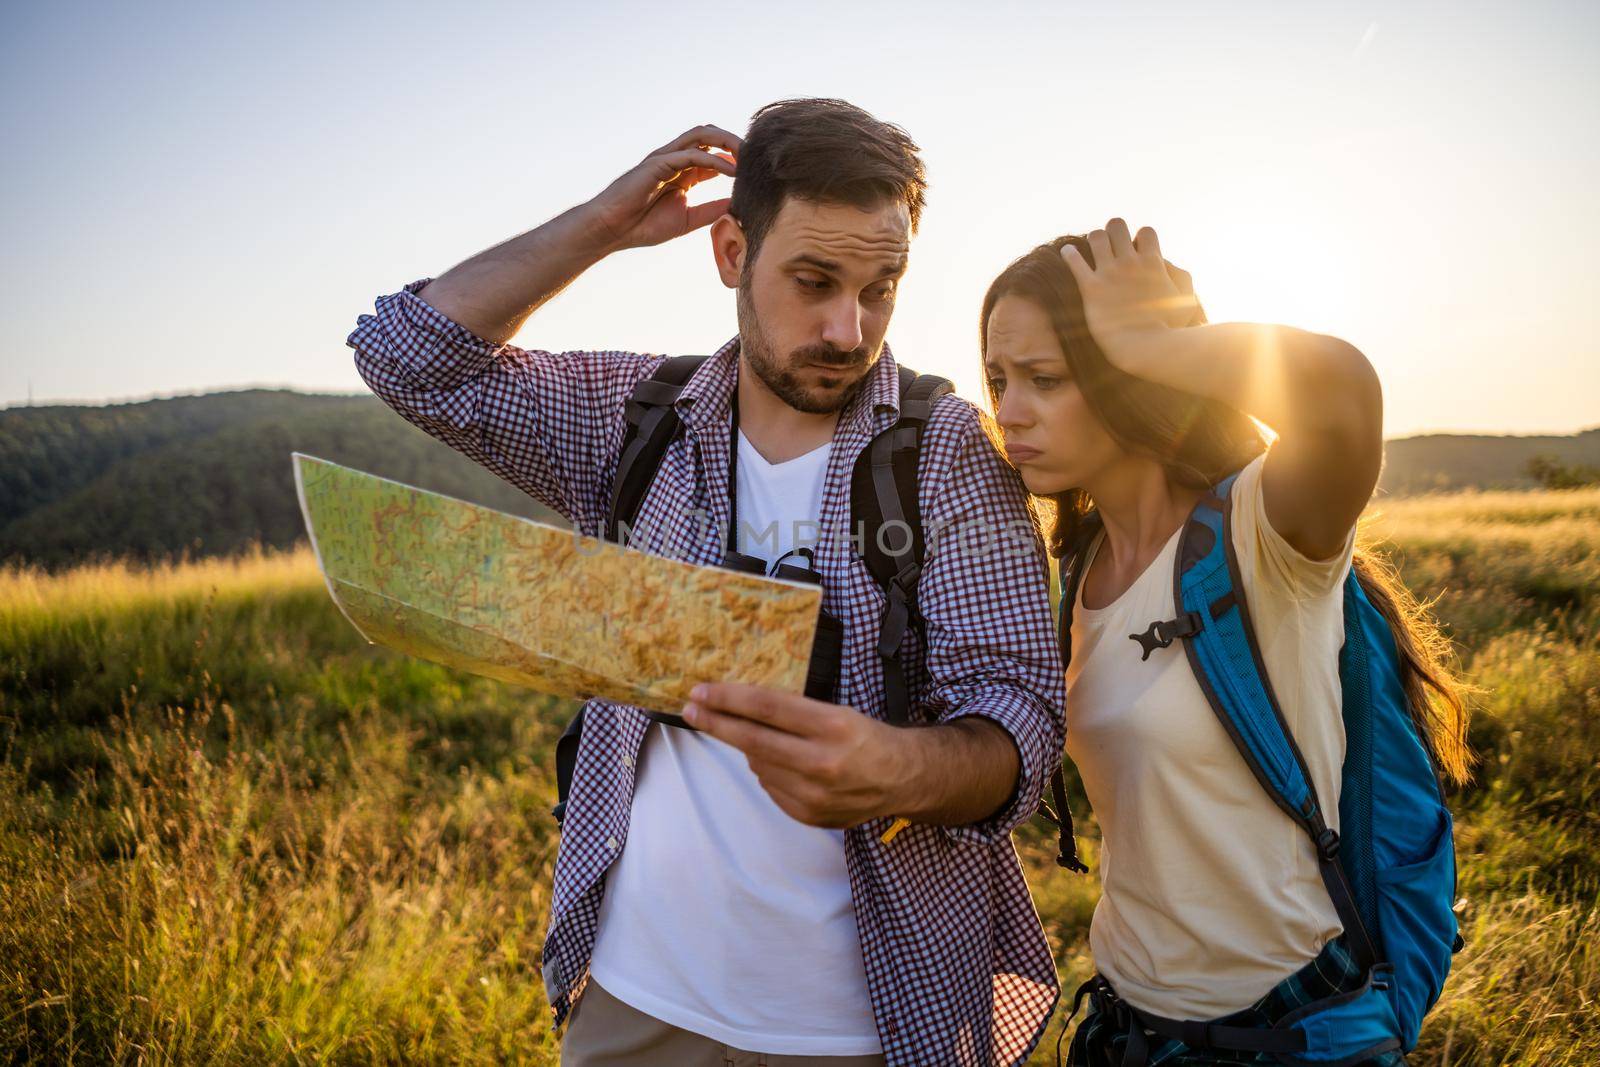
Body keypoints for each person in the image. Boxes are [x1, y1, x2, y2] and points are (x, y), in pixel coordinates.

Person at [346, 98, 1065, 1067]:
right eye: (812, 280)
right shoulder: (633, 416)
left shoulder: (948, 455)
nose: (848, 328)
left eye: (881, 287)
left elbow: (1019, 721)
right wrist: (599, 227)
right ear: (731, 252)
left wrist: (896, 767)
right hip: (634, 1002)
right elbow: (409, 358)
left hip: (866, 1026)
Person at [979, 222, 1472, 1064]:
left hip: (1285, 1032)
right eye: (998, 378)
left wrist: (1156, 341)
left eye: (1044, 379)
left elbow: (1343, 396)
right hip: (1126, 1029)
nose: (1009, 411)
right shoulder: (1074, 566)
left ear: (1126, 377)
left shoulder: (1260, 536)